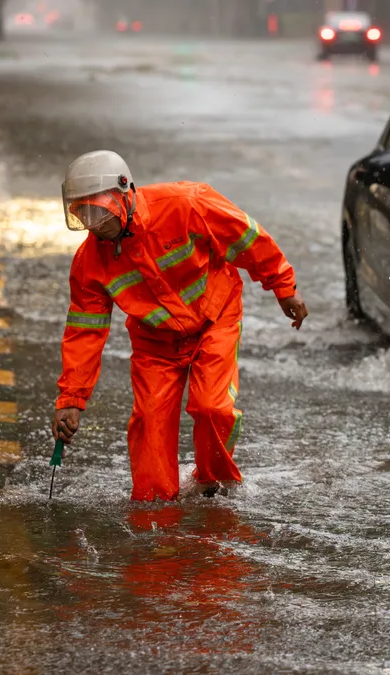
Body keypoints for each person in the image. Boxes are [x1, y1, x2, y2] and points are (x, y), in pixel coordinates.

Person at [51, 150, 308, 501]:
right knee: (150, 425)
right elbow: (85, 332)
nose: (95, 224)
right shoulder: (89, 263)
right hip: (155, 343)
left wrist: (283, 287)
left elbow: (247, 238)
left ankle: (213, 484)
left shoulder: (187, 204)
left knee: (212, 408)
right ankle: (154, 510)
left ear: (126, 193)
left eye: (99, 212)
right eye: (84, 215)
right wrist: (71, 399)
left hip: (214, 318)